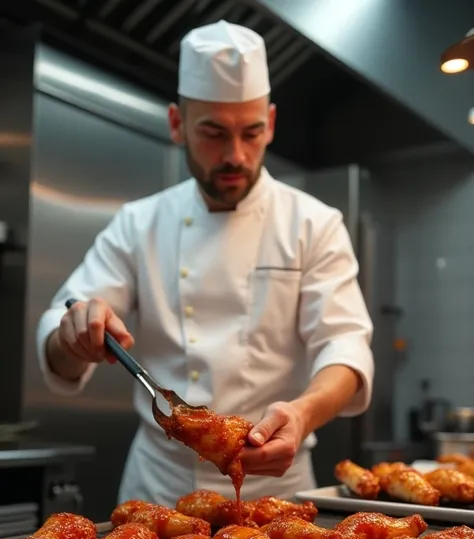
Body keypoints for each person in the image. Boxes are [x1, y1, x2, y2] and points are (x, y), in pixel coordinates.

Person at [36, 20, 374, 507]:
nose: (235, 155)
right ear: (177, 124)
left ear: (271, 124)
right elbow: (59, 337)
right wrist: (74, 333)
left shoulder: (314, 223)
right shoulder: (139, 223)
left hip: (276, 489)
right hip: (160, 488)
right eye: (213, 133)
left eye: (252, 133)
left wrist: (301, 414)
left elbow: (345, 348)